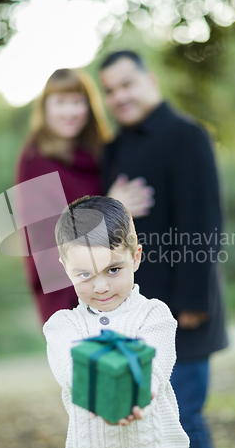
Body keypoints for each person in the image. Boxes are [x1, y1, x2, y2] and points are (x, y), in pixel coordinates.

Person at [99, 50, 228, 448]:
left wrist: (193, 300)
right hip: (135, 315)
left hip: (182, 310)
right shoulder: (115, 149)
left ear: (150, 80)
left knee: (184, 423)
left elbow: (203, 221)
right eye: (110, 91)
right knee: (149, 429)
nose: (119, 97)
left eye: (126, 84)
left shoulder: (186, 135)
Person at [43, 195, 191, 448]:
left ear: (134, 257)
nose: (101, 286)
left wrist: (133, 395)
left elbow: (155, 368)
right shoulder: (63, 326)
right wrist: (104, 399)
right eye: (84, 274)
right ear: (65, 268)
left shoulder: (154, 315)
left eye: (113, 269)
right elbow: (72, 372)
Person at [15, 68, 154, 324]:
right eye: (60, 102)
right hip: (70, 291)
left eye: (77, 102)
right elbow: (45, 238)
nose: (70, 112)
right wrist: (112, 207)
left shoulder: (99, 151)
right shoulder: (36, 160)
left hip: (113, 282)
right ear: (45, 108)